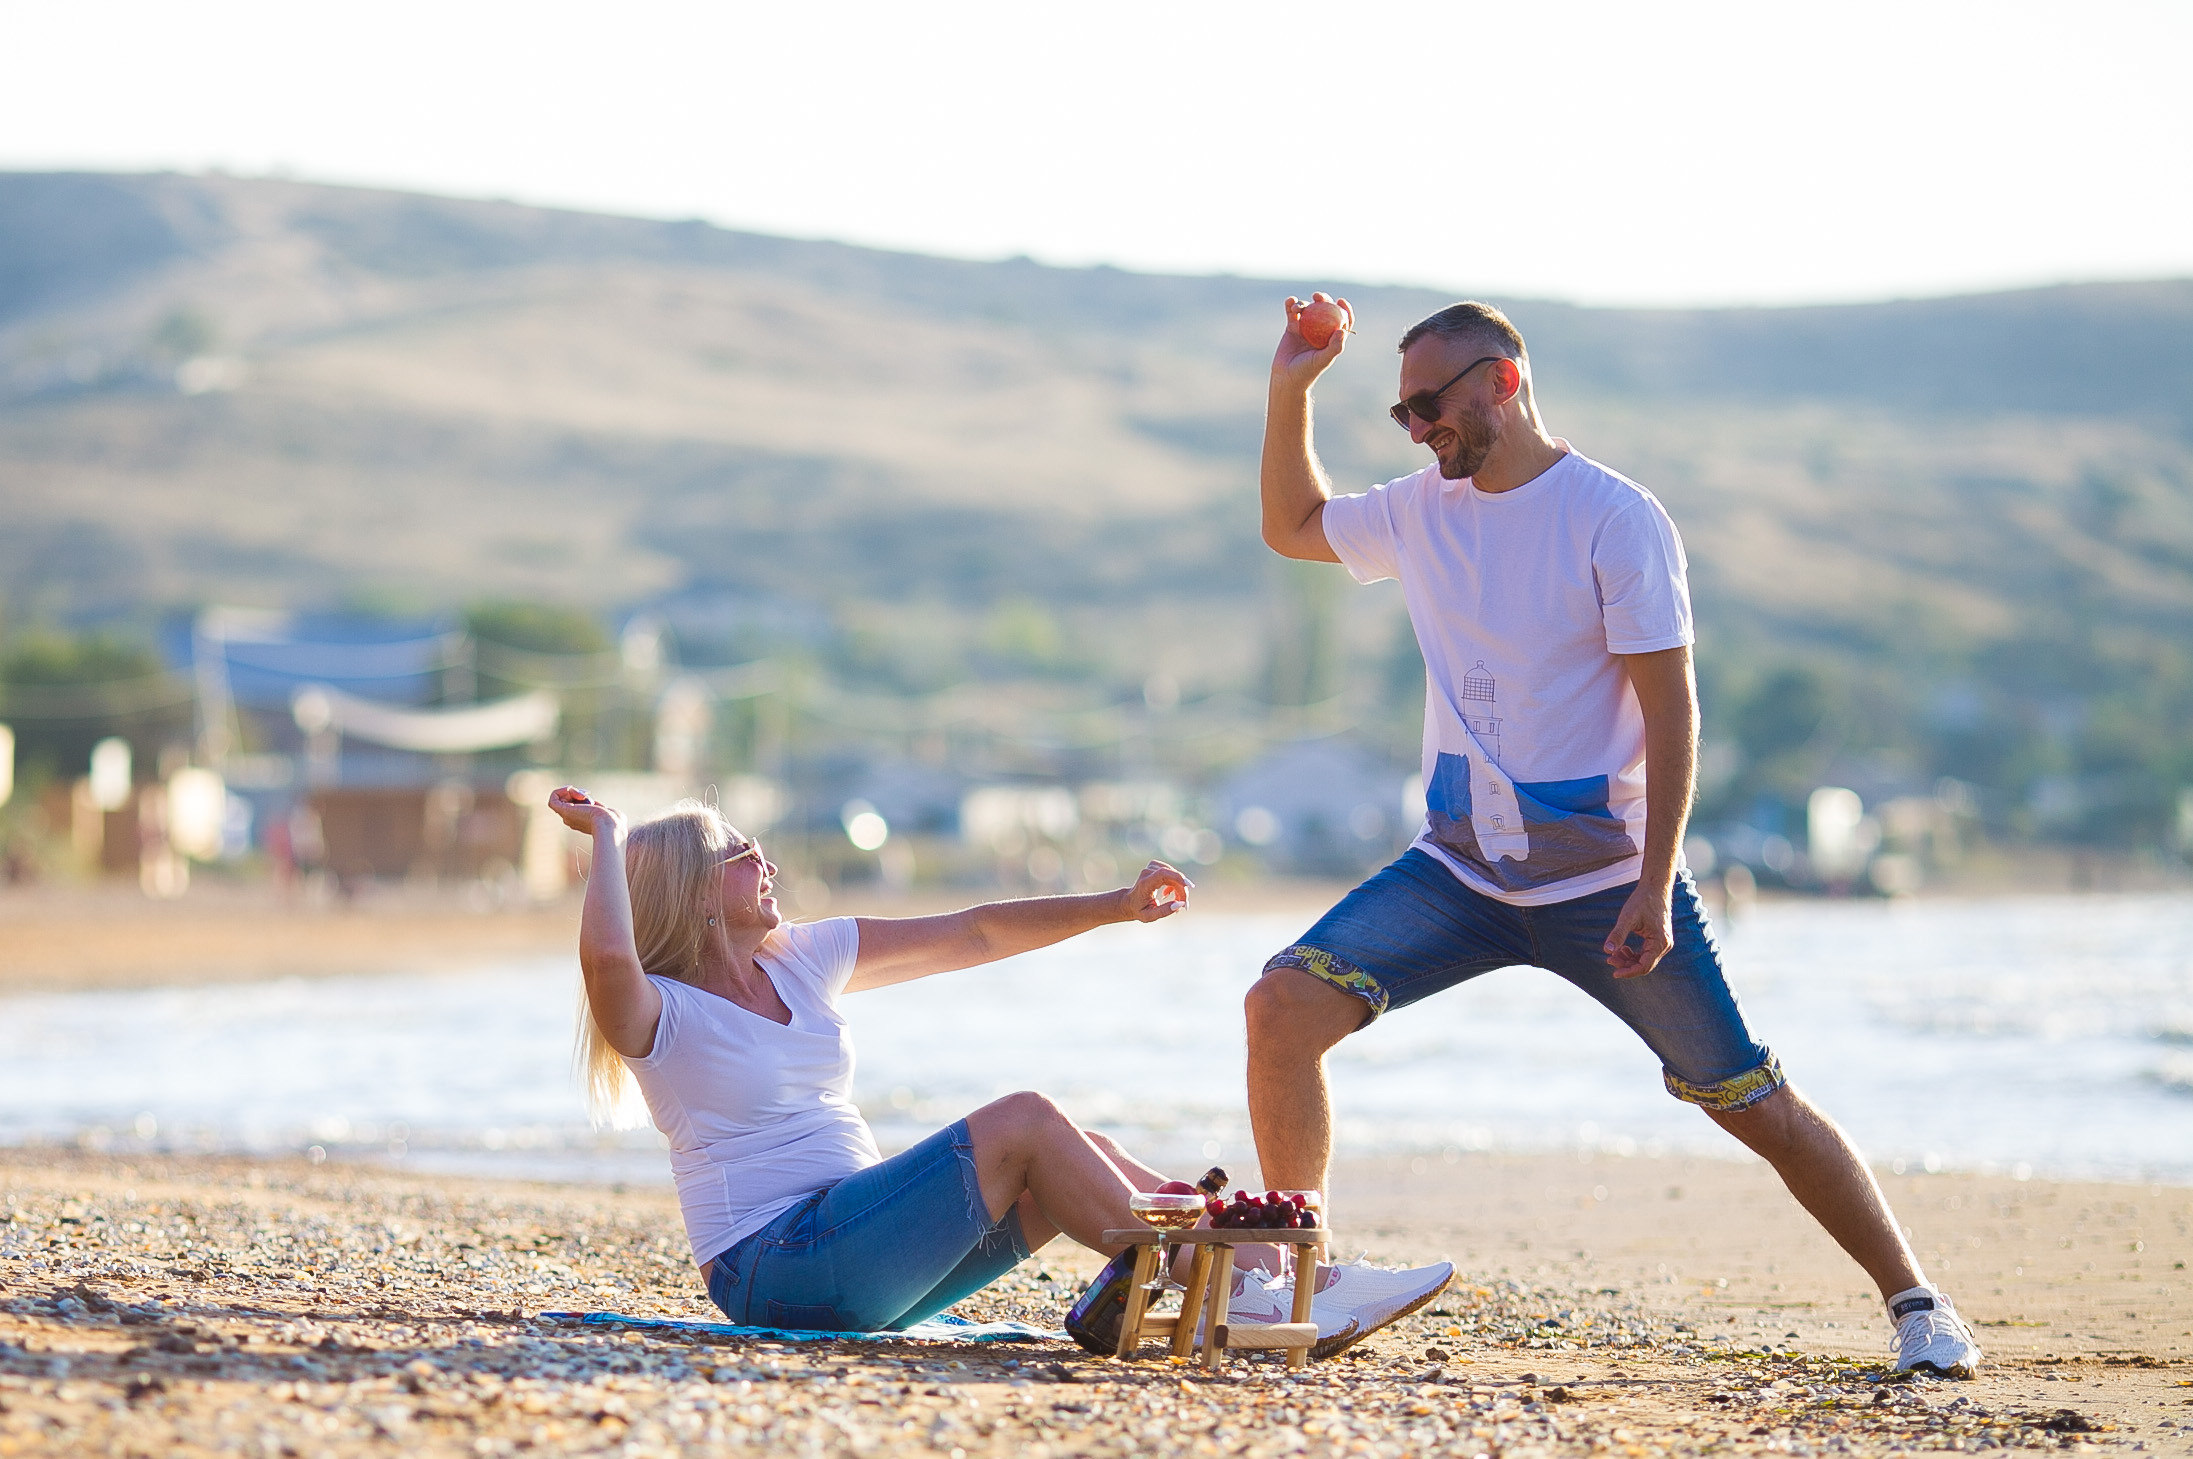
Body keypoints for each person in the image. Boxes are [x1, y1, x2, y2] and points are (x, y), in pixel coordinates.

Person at [1242, 295, 1983, 1378]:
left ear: (1503, 381)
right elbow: (1291, 526)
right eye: (1402, 414)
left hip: (1606, 881)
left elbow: (1671, 711)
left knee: (1749, 1098)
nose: (1418, 430)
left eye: (1430, 405)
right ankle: (1296, 1275)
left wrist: (1654, 882)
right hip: (1459, 868)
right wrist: (1289, 389)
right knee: (1281, 1003)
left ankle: (1918, 1303)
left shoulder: (1613, 517)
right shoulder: (1417, 511)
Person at [544, 786, 1406, 1348]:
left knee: (1083, 1152)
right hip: (776, 1265)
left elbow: (975, 931)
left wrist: (1115, 905)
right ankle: (1231, 1294)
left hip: (856, 1249)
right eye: (741, 854)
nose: (766, 864)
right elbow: (609, 960)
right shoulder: (660, 1012)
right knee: (1025, 1121)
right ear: (695, 889)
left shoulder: (799, 958)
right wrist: (610, 837)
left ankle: (1279, 1273)